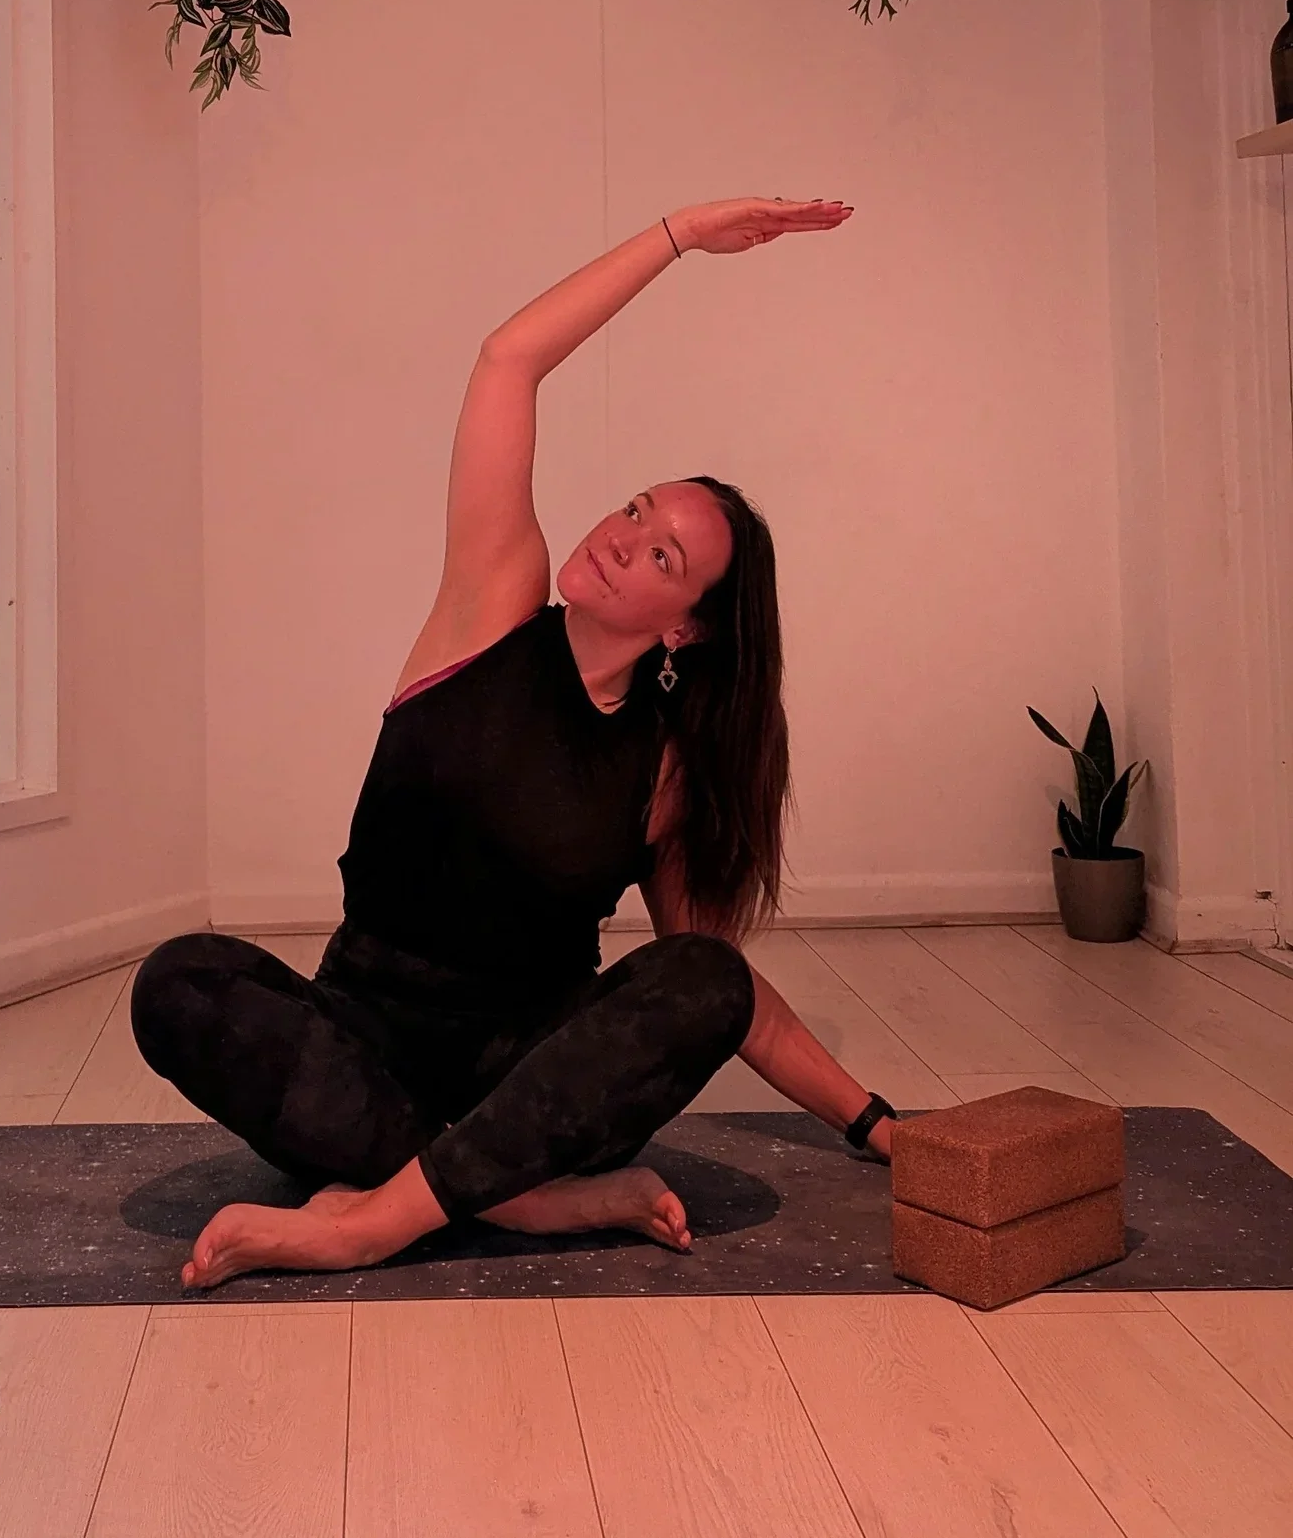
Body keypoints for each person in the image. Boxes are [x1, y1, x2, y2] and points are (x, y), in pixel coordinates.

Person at [132, 197, 898, 1289]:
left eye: (663, 558)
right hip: (360, 1046)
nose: (622, 539)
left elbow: (724, 996)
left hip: (531, 1082)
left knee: (703, 979)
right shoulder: (488, 609)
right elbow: (509, 360)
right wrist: (679, 235)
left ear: (684, 629)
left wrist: (874, 1121)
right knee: (180, 981)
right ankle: (524, 1203)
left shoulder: (665, 766)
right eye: (635, 511)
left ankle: (369, 1221)